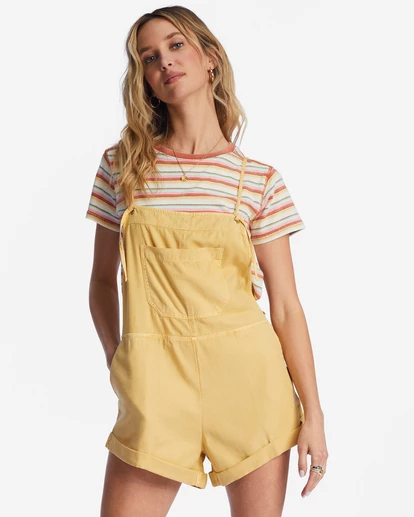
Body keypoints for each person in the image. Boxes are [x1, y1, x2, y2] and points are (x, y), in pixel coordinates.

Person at [86, 5, 328, 517]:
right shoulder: (122, 167)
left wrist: (315, 414)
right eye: (149, 57)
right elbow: (101, 282)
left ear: (210, 57)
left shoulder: (258, 181)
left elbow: (286, 306)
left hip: (250, 384)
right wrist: (119, 361)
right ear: (145, 79)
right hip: (155, 385)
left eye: (176, 45)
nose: (164, 62)